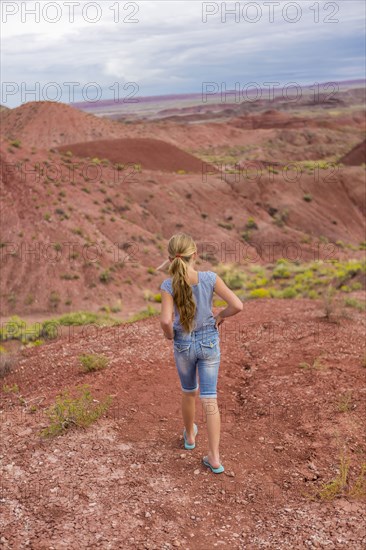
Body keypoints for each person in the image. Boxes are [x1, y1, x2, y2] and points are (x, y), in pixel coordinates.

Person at [158, 233, 243, 474]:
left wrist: (170, 336)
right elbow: (237, 305)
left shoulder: (168, 285)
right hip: (208, 343)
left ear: (170, 258)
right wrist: (220, 317)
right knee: (210, 398)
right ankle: (214, 457)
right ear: (194, 255)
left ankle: (190, 438)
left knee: (188, 392)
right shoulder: (210, 278)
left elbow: (165, 320)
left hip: (183, 343)